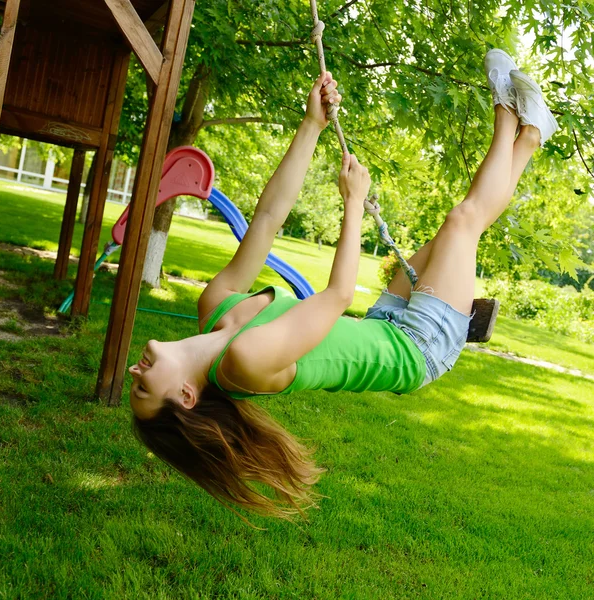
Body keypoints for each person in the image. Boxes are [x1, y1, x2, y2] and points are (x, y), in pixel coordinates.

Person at [131, 51, 558, 518]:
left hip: (385, 324)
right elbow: (335, 298)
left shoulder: (214, 305)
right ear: (187, 398)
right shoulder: (243, 363)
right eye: (143, 389)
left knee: (455, 228)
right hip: (415, 350)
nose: (135, 373)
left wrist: (311, 125)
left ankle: (532, 134)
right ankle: (507, 111)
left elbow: (269, 218)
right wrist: (353, 204)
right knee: (462, 221)